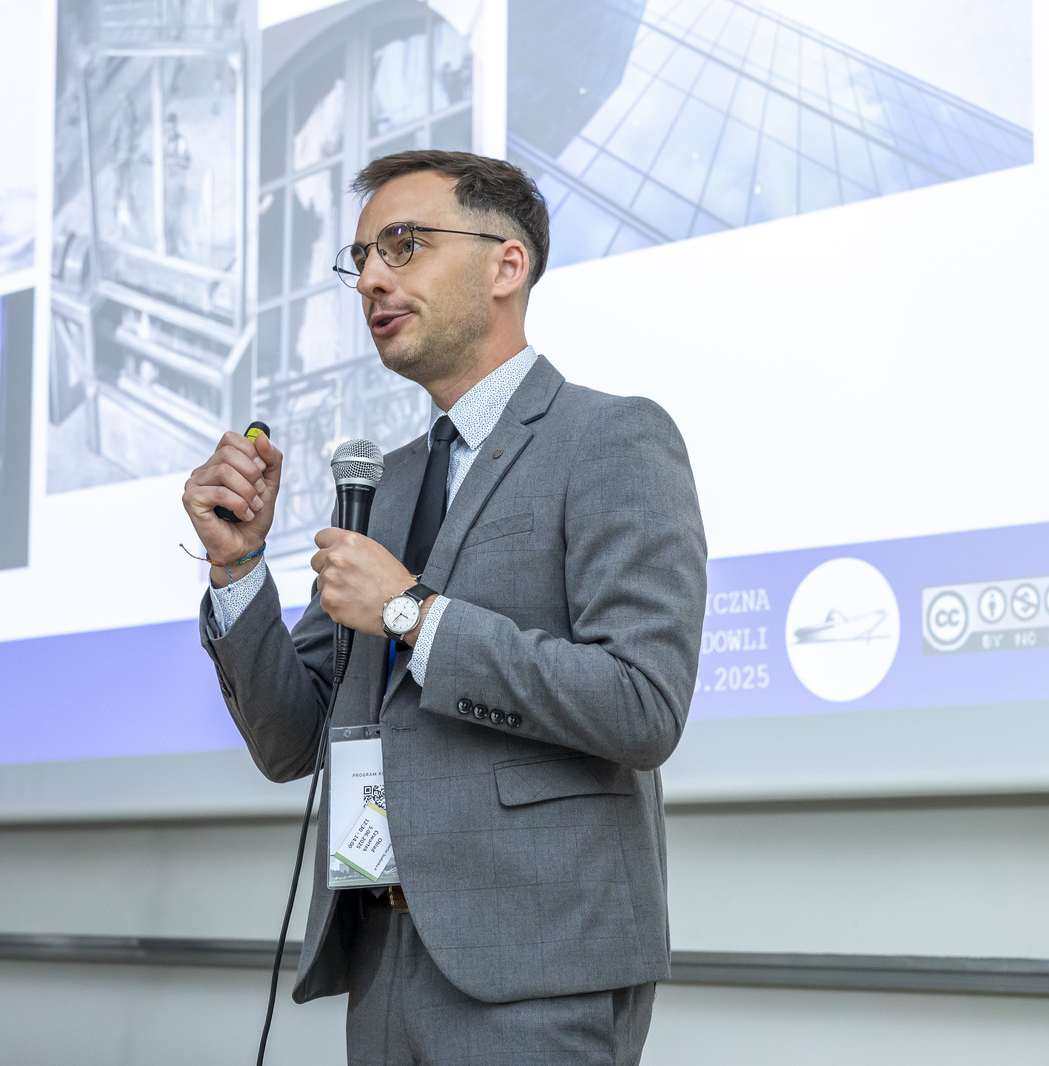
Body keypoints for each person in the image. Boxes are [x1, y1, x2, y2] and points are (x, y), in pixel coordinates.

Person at [182, 150, 706, 1065]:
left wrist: (414, 615)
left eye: (404, 244)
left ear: (507, 265)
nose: (371, 279)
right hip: (382, 955)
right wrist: (237, 568)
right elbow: (291, 740)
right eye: (361, 259)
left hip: (539, 967)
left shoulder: (612, 439)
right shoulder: (381, 486)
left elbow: (642, 703)